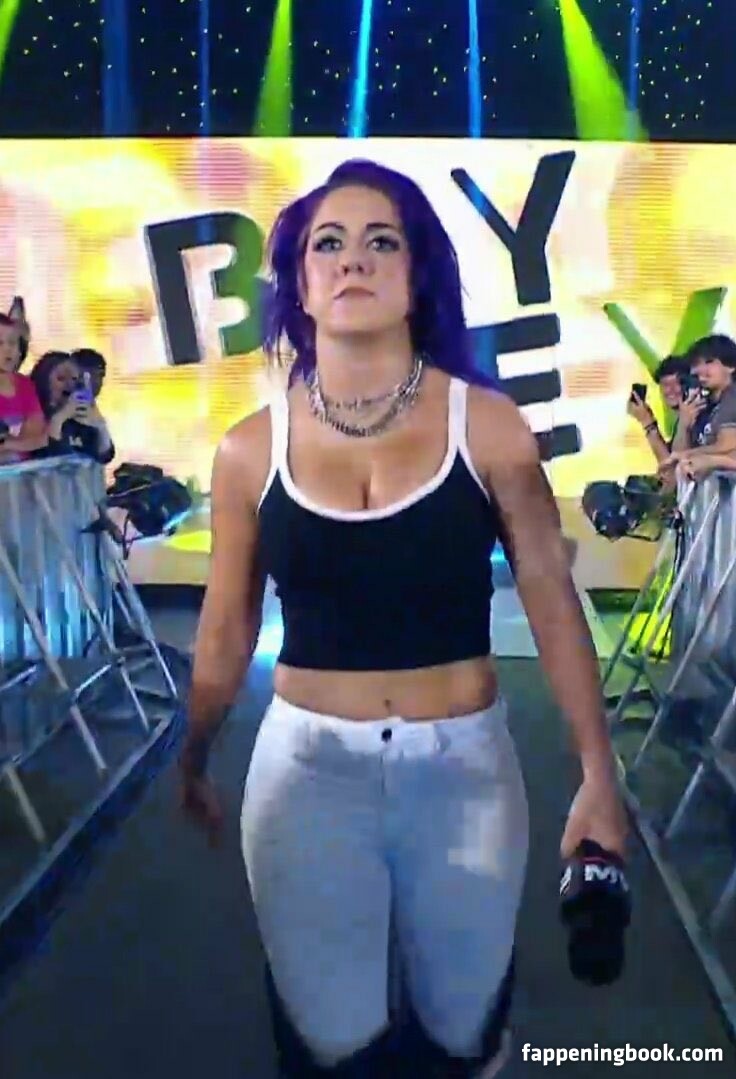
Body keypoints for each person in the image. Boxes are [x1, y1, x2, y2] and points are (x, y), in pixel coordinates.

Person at [179, 159, 627, 1078]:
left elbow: (551, 599)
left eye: (381, 241)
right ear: (300, 283)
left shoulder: (490, 426)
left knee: (463, 1033)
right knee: (328, 1040)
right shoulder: (248, 450)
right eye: (328, 244)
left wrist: (598, 771)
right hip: (307, 773)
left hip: (465, 770)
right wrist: (194, 752)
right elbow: (225, 628)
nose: (354, 259)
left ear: (417, 273)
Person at [660, 334, 736, 475]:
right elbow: (675, 459)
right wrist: (683, 424)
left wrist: (687, 455)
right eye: (696, 364)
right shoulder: (700, 404)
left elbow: (727, 446)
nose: (699, 369)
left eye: (709, 362)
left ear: (730, 366)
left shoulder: (732, 398)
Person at [29, 351, 115, 465]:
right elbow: (51, 456)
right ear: (44, 381)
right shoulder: (32, 416)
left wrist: (100, 425)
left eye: (74, 379)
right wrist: (59, 418)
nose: (70, 384)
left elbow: (104, 456)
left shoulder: (78, 417)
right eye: (61, 378)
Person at [0, 313, 47, 464]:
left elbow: (38, 439)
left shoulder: (25, 385)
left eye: (12, 343)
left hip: (22, 473)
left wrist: (6, 444)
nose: (8, 350)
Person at [627, 354, 689, 467]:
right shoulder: (681, 420)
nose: (671, 390)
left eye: (677, 383)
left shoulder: (696, 416)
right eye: (665, 384)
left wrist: (647, 422)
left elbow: (670, 467)